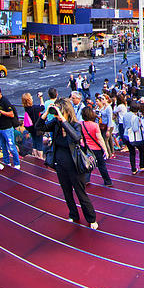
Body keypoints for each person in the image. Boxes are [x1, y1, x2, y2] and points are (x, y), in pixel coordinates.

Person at [36, 98, 98, 229]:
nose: (57, 115)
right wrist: (46, 113)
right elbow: (39, 128)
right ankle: (73, 214)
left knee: (80, 193)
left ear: (67, 112)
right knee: (66, 192)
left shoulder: (75, 125)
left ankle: (91, 218)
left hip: (74, 165)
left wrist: (63, 122)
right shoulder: (55, 123)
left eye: (59, 112)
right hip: (60, 164)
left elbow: (76, 137)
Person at [0, 85, 20, 169]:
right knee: (3, 146)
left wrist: (0, 111)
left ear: (0, 94)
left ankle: (17, 163)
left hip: (7, 128)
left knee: (11, 146)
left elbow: (11, 114)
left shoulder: (5, 101)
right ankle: (7, 162)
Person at [81, 106, 113, 187]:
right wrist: (105, 150)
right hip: (96, 148)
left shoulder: (80, 124)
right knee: (101, 165)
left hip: (85, 148)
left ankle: (86, 180)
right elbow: (100, 139)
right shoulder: (95, 125)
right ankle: (107, 181)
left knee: (87, 164)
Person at [122, 101, 144, 173]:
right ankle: (141, 165)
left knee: (132, 152)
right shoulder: (135, 117)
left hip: (126, 135)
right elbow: (135, 129)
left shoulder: (125, 115)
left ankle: (133, 169)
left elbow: (124, 125)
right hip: (133, 137)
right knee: (142, 150)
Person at [21, 92, 45, 159]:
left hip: (31, 129)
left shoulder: (26, 108)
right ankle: (40, 158)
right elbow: (42, 107)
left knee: (34, 143)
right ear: (29, 100)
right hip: (37, 128)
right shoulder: (34, 108)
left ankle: (36, 156)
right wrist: (41, 98)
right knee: (39, 144)